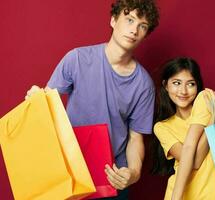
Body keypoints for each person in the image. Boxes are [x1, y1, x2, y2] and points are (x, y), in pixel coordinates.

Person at [26, 0, 159, 199]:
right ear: (113, 20)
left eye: (142, 26)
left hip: (112, 175)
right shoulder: (77, 58)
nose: (134, 30)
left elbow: (135, 138)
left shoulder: (144, 84)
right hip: (70, 171)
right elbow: (45, 104)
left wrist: (133, 172)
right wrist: (36, 98)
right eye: (129, 20)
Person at [152, 57, 215, 200]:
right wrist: (212, 123)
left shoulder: (205, 99)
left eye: (190, 84)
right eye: (176, 83)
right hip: (183, 195)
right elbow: (195, 161)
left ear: (197, 86)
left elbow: (191, 151)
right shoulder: (161, 127)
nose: (183, 91)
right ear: (166, 85)